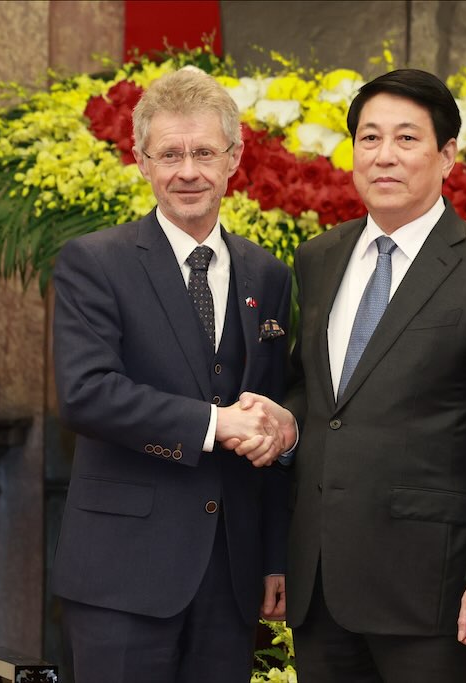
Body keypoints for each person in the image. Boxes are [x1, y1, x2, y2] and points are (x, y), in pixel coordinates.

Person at [240, 68, 466, 682]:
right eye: (369, 138)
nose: (384, 156)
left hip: (434, 593)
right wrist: (285, 425)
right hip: (322, 584)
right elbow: (322, 395)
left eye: (406, 139)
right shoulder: (320, 257)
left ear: (447, 156)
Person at [49, 67, 293, 683]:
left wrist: (275, 559)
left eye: (205, 152)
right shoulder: (94, 263)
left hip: (231, 579)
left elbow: (274, 408)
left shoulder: (268, 276)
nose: (189, 171)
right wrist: (215, 424)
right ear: (141, 161)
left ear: (234, 158)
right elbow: (85, 394)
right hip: (121, 576)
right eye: (171, 154)